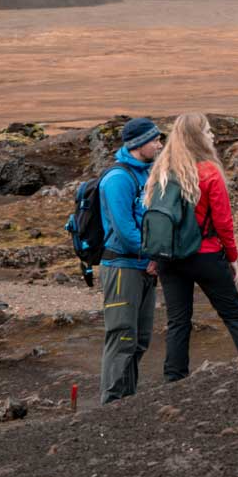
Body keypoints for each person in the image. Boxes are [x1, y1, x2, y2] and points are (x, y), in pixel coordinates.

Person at [144, 112, 238, 381]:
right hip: (206, 255)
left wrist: (154, 257)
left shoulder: (161, 172)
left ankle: (174, 379)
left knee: (177, 321)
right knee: (235, 315)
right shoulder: (209, 172)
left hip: (169, 259)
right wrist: (232, 257)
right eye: (208, 131)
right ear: (198, 137)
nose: (212, 136)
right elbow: (223, 222)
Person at [98, 116, 165, 404]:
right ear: (139, 144)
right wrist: (151, 254)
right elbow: (125, 230)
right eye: (155, 140)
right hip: (123, 267)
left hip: (144, 267)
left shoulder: (147, 173)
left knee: (139, 340)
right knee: (122, 337)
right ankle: (113, 403)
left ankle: (129, 400)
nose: (160, 145)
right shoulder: (117, 179)